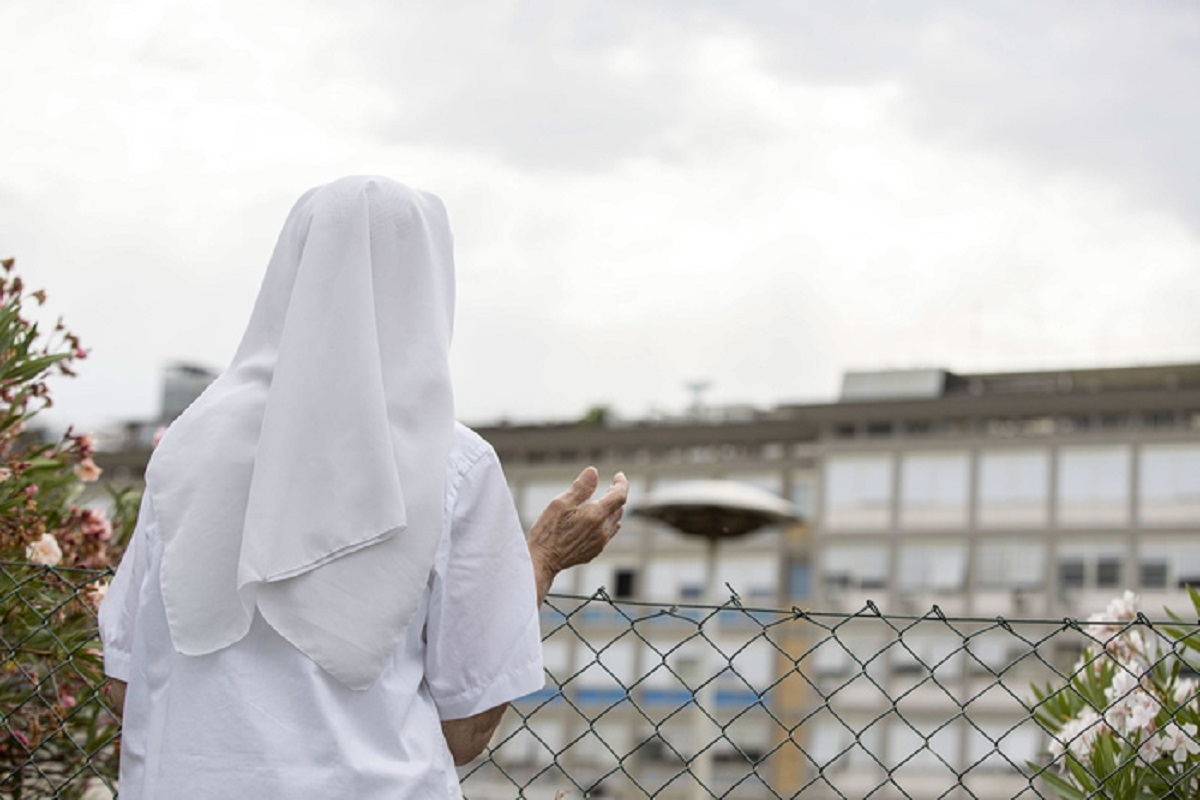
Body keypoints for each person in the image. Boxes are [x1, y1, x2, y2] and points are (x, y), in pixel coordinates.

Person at [99, 176, 629, 799]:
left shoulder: (188, 447)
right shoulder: (453, 465)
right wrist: (541, 560)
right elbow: (465, 730)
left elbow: (125, 686)